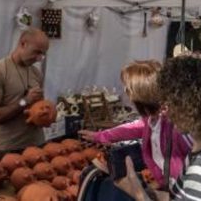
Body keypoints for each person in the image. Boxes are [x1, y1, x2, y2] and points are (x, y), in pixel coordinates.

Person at [115, 55, 201, 201]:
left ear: (185, 107)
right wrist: (148, 192)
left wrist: (138, 193)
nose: (164, 111)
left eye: (167, 103)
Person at [79, 60, 192, 189]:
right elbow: (130, 128)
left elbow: (199, 155)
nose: (128, 96)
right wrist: (99, 136)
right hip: (169, 185)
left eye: (129, 91)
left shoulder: (177, 126)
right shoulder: (152, 120)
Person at [0, 27, 49, 158]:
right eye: (36, 52)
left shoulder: (36, 73)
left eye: (42, 54)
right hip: (9, 150)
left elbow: (36, 108)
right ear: (23, 44)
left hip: (37, 145)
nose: (39, 58)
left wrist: (44, 116)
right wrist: (25, 101)